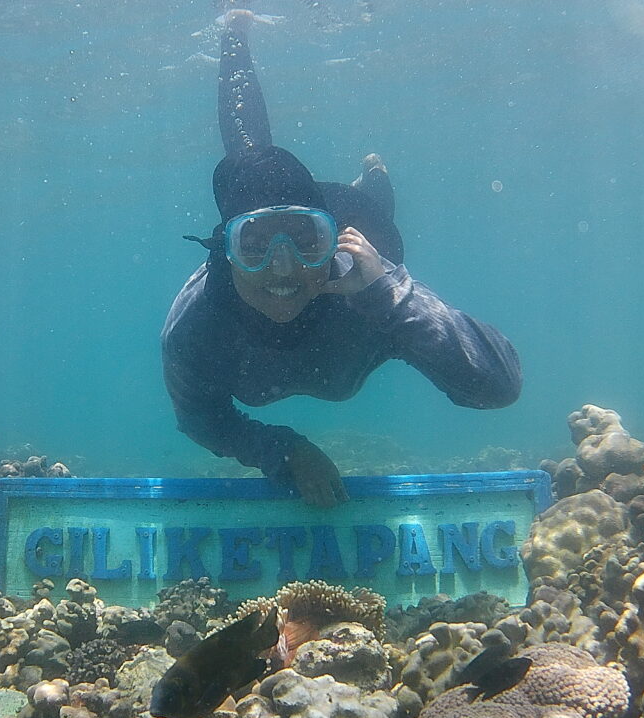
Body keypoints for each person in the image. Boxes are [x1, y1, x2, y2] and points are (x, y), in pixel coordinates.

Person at [161, 10, 522, 507]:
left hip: (357, 224)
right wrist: (280, 451)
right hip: (314, 219)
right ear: (225, 250)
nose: (282, 266)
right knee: (250, 156)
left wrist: (390, 299)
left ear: (329, 240)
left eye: (305, 241)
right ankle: (235, 39)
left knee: (376, 219)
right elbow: (200, 418)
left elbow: (498, 386)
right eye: (255, 244)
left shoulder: (368, 283)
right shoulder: (196, 326)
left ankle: (371, 181)